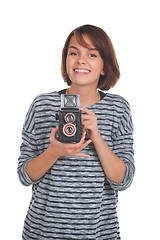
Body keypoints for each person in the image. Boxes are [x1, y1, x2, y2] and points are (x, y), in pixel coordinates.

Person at [18, 24, 135, 240]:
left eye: (92, 54)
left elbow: (123, 180)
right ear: (66, 60)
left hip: (99, 233)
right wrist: (54, 151)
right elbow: (25, 176)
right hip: (43, 232)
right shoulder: (42, 104)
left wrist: (97, 137)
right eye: (74, 53)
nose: (81, 60)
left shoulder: (118, 108)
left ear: (103, 66)